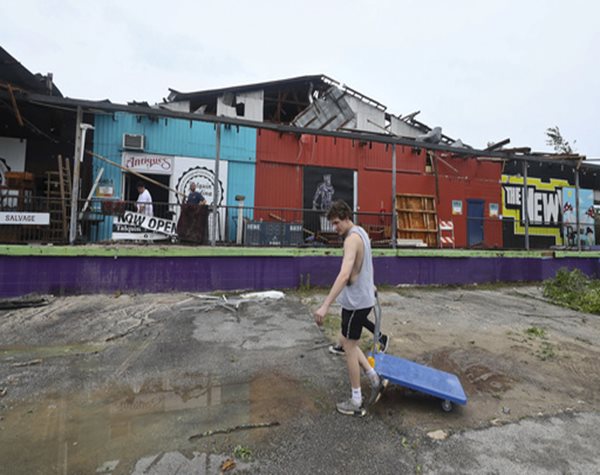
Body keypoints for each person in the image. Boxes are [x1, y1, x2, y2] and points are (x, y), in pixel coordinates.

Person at [314, 200, 385, 417]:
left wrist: (325, 305)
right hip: (360, 299)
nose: (335, 228)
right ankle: (373, 378)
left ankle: (356, 400)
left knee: (349, 348)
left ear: (346, 218)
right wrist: (370, 284)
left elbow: (345, 274)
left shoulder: (351, 240)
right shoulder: (361, 232)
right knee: (347, 342)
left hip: (355, 304)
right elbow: (366, 265)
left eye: (336, 223)